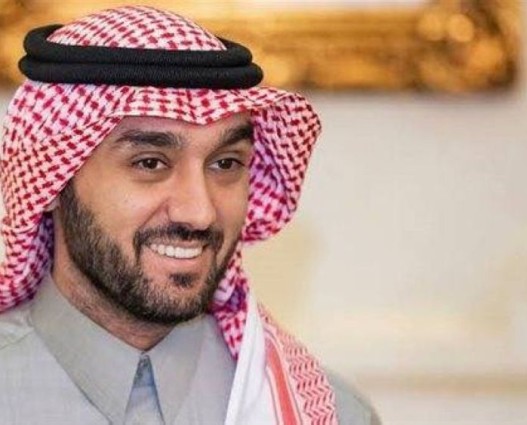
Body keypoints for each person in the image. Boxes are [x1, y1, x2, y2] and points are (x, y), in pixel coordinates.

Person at [0, 5, 380, 425]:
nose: (199, 212)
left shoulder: (322, 413)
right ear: (53, 180)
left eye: (225, 163)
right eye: (150, 163)